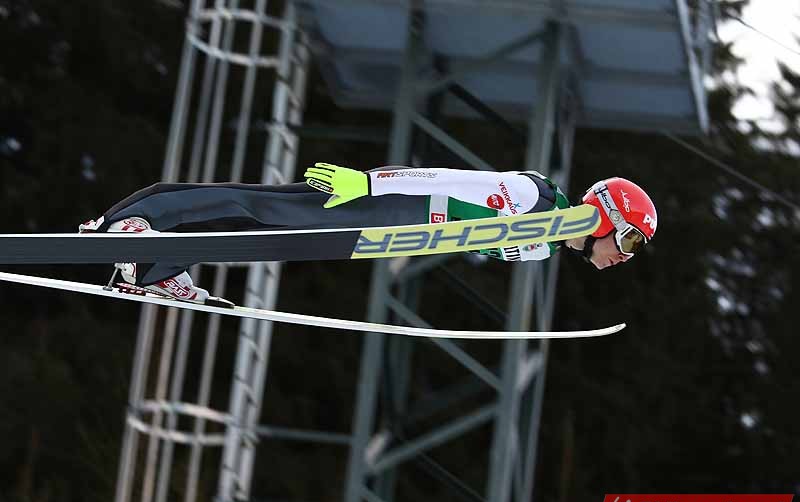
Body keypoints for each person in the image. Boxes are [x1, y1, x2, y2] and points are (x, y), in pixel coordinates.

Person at [78, 163, 657, 303]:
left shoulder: (543, 247)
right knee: (268, 210)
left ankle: (155, 266)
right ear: (606, 214)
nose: (625, 256)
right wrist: (369, 182)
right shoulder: (537, 198)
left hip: (396, 233)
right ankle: (131, 223)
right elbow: (450, 180)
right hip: (397, 203)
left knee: (269, 241)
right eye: (629, 240)